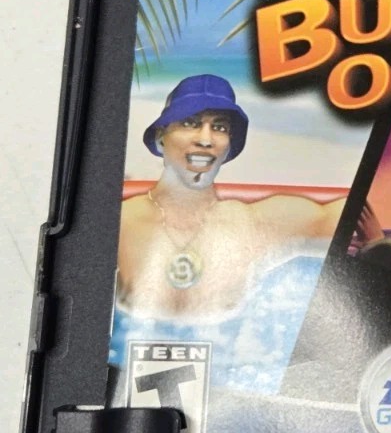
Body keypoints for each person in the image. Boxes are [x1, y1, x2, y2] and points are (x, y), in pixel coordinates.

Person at [117, 74, 364, 320]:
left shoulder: (253, 225)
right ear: (161, 136)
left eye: (219, 127)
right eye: (190, 123)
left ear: (229, 146)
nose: (205, 140)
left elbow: (343, 219)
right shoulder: (120, 222)